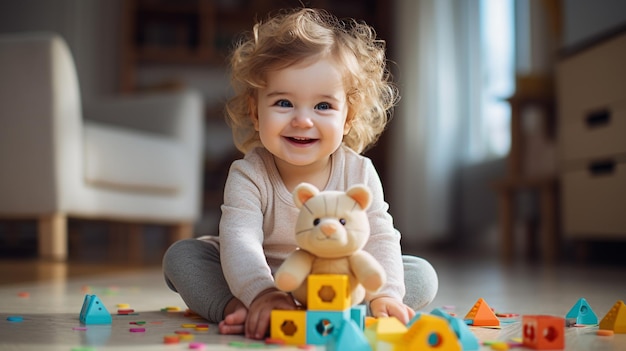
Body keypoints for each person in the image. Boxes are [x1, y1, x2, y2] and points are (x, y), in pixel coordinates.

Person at [162, 7, 438, 340]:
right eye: (283, 103)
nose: (303, 120)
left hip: (339, 279)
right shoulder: (250, 173)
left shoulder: (359, 171)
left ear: (348, 117)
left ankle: (355, 309)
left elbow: (379, 237)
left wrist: (388, 293)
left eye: (323, 106)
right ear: (255, 112)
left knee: (420, 274)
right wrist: (261, 291)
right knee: (183, 256)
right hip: (264, 278)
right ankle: (240, 306)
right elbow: (241, 241)